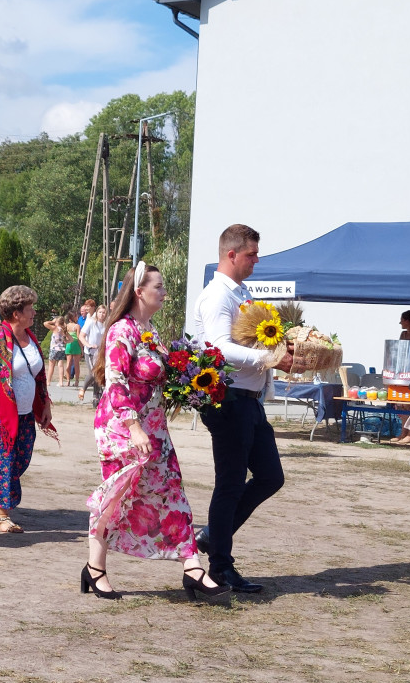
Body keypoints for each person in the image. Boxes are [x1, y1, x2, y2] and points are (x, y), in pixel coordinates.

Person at [82, 262, 229, 601]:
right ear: (139, 291)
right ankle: (95, 569)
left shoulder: (150, 329)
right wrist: (134, 428)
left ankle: (192, 568)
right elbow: (115, 383)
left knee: (171, 493)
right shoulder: (122, 331)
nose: (164, 292)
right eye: (159, 287)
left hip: (154, 430)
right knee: (119, 499)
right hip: (122, 429)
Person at [193, 224, 294, 593]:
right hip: (229, 400)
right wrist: (271, 357)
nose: (255, 260)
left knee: (270, 477)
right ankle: (220, 566)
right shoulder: (218, 295)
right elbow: (219, 346)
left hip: (249, 402)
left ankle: (211, 537)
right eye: (251, 254)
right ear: (231, 254)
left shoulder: (242, 293)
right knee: (231, 485)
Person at [0, 285, 55, 533]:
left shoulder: (31, 338)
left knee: (20, 460)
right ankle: (2, 517)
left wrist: (45, 403)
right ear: (17, 313)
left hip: (26, 413)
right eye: (30, 308)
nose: (34, 313)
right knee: (4, 462)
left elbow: (39, 376)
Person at [388, 310, 410, 447]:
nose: (400, 323)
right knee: (402, 402)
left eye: (402, 320)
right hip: (404, 371)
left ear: (408, 320)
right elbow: (399, 351)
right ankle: (403, 432)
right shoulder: (403, 334)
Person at [78, 305, 108, 405]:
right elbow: (81, 336)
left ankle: (96, 397)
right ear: (97, 312)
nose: (102, 314)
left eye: (104, 312)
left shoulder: (106, 325)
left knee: (99, 374)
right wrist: (88, 345)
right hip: (90, 352)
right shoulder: (91, 322)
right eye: (100, 312)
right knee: (93, 373)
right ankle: (83, 389)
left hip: (100, 353)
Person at [43, 313, 70, 386]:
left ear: (57, 322)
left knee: (51, 365)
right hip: (61, 348)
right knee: (60, 365)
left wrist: (52, 322)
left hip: (54, 349)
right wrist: (65, 341)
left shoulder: (55, 328)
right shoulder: (64, 330)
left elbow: (45, 323)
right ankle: (61, 382)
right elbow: (71, 339)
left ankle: (48, 381)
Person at [64, 311, 83, 387]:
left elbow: (65, 336)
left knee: (68, 363)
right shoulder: (77, 326)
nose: (77, 318)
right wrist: (81, 348)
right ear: (73, 317)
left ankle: (68, 380)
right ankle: (76, 381)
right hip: (76, 344)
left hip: (69, 344)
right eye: (76, 316)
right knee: (76, 364)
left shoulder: (66, 326)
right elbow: (78, 337)